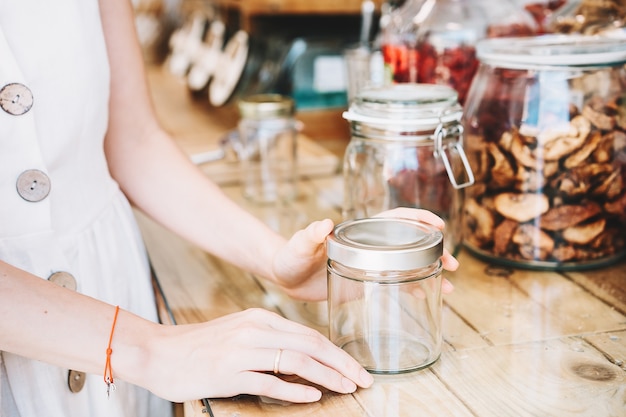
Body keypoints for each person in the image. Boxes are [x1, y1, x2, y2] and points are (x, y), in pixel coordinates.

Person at [0, 1, 459, 416]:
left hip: (108, 278)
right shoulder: (148, 349)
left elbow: (132, 140)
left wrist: (278, 263)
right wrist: (149, 349)